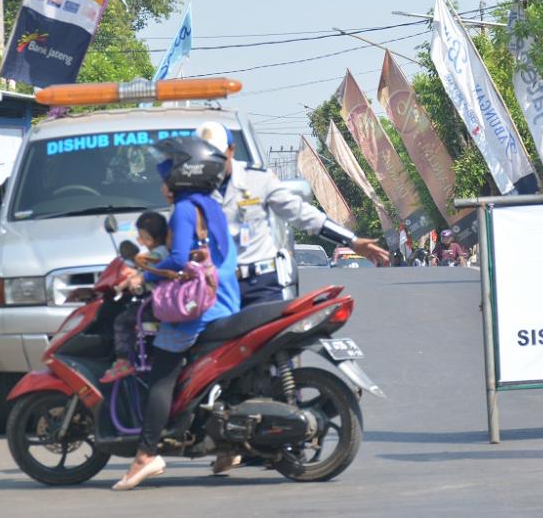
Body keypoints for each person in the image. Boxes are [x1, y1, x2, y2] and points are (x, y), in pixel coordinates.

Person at [111, 136, 240, 491]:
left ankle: (147, 454)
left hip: (199, 310)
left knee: (162, 375)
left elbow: (180, 258)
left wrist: (144, 275)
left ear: (184, 174)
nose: (163, 182)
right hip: (226, 301)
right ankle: (224, 445)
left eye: (166, 173)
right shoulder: (210, 205)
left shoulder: (185, 209)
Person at [195, 122, 389, 309]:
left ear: (231, 150)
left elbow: (302, 214)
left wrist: (352, 241)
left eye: (218, 155)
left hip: (261, 286)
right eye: (206, 156)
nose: (213, 162)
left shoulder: (257, 179)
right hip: (212, 287)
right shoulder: (188, 187)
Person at [100, 211, 168, 384]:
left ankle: (123, 362)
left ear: (152, 237)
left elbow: (144, 263)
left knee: (122, 321)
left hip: (158, 305)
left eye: (143, 237)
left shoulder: (159, 253)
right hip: (161, 302)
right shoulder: (163, 252)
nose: (140, 241)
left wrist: (123, 283)